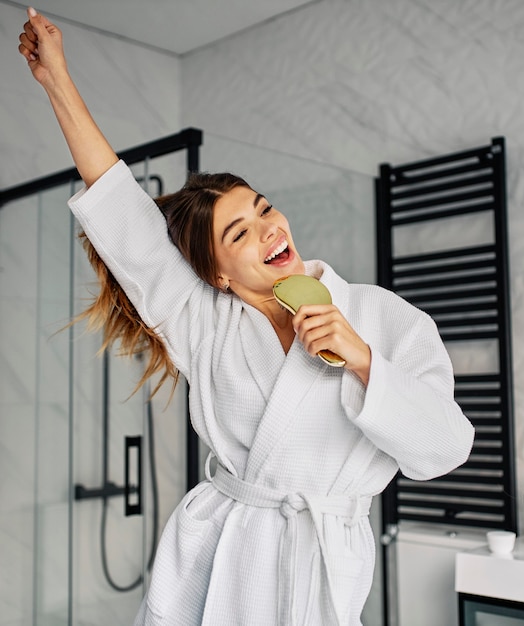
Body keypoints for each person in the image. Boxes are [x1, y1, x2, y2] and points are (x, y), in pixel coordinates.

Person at [18, 8, 475, 626]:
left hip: (324, 569)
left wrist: (365, 360)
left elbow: (446, 449)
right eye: (240, 233)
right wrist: (57, 80)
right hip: (223, 564)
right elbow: (121, 212)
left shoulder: (380, 315)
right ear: (218, 275)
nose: (269, 229)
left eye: (264, 210)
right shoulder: (203, 321)